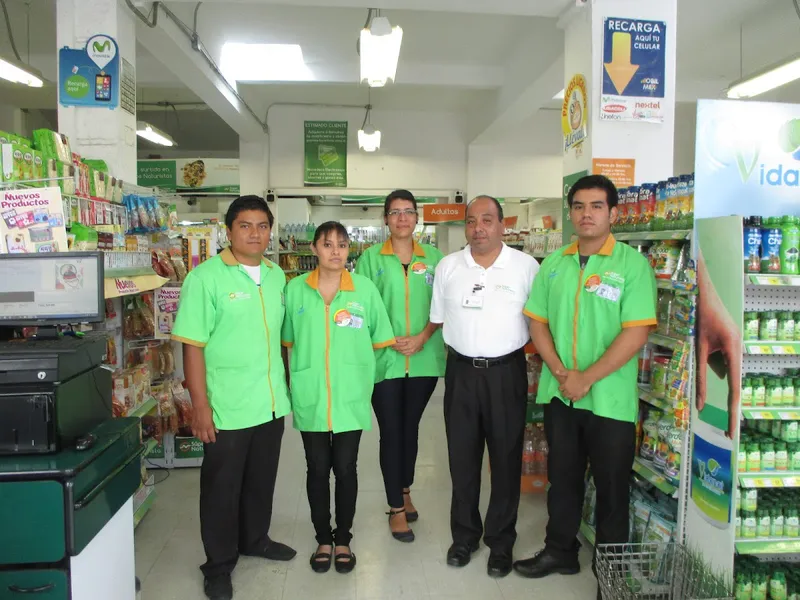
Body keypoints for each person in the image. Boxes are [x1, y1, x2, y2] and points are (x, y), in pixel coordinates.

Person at [513, 175, 657, 596]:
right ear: (571, 212)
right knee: (563, 478)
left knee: (613, 488)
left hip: (609, 400)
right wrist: (561, 373)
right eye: (579, 206)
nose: (586, 213)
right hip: (562, 396)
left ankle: (610, 579)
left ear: (613, 213)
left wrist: (586, 378)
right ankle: (559, 550)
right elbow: (536, 321)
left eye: (596, 206)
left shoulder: (632, 265)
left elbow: (636, 334)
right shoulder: (555, 264)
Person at [171, 195, 296, 600]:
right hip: (225, 406)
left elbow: (281, 341)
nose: (255, 233)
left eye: (262, 225)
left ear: (270, 231)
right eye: (245, 225)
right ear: (229, 231)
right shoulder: (205, 278)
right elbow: (192, 346)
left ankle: (255, 538)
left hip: (271, 402)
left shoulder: (278, 276)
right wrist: (200, 407)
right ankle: (219, 564)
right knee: (222, 489)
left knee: (261, 481)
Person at [429, 195, 539, 578]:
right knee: (462, 459)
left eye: (487, 220)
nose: (479, 228)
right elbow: (440, 321)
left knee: (506, 460)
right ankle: (464, 537)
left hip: (506, 373)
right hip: (460, 374)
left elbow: (539, 324)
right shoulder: (448, 266)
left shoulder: (526, 267)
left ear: (502, 225)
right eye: (472, 221)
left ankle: (501, 543)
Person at [281, 221, 395, 574]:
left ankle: (343, 536)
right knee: (317, 468)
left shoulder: (364, 290)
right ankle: (322, 539)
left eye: (342, 245)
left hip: (350, 396)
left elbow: (383, 345)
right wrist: (294, 383)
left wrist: (364, 381)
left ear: (350, 250)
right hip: (311, 394)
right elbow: (287, 343)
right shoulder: (296, 290)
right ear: (313, 248)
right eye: (327, 244)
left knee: (346, 468)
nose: (335, 251)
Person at [355, 190, 446, 542]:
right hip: (386, 359)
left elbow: (442, 306)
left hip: (424, 358)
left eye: (408, 212)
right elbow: (363, 308)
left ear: (417, 217)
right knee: (391, 432)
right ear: (385, 219)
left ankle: (405, 488)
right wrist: (390, 339)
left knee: (411, 430)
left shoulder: (437, 258)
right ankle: (395, 507)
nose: (402, 218)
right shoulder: (370, 259)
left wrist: (423, 336)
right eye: (395, 212)